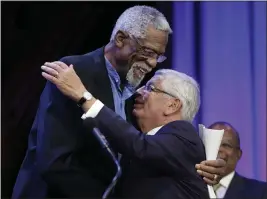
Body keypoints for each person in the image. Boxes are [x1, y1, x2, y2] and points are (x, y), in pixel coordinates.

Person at [12, 5, 225, 199]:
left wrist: (198, 166)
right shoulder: (74, 75)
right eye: (147, 52)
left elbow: (139, 148)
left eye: (158, 56)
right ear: (121, 39)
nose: (152, 64)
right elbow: (54, 161)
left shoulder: (137, 95)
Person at [41, 63, 210, 199]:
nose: (138, 92)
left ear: (172, 105)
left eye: (150, 88)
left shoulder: (184, 135)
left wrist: (83, 96)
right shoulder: (151, 145)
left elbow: (138, 145)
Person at [209, 121, 267, 199]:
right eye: (213, 143)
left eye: (226, 145)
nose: (218, 149)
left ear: (238, 154)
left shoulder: (260, 192)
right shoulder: (190, 189)